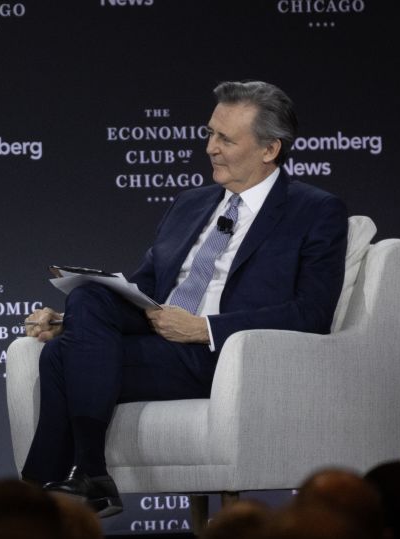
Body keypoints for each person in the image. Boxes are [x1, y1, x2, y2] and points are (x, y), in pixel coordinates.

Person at [21, 80, 348, 516]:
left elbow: (312, 313)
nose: (210, 147)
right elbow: (145, 289)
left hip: (223, 357)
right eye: (210, 133)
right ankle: (89, 477)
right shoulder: (191, 203)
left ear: (270, 149)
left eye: (226, 138)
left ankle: (38, 493)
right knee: (90, 299)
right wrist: (74, 321)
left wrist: (205, 328)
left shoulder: (314, 211)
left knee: (62, 358)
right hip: (160, 338)